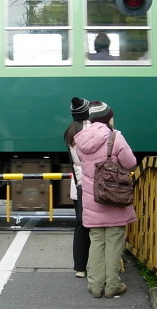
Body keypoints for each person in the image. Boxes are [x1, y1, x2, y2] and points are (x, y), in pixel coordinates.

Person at [74, 101, 137, 298]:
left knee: (96, 242)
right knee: (114, 242)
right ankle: (112, 287)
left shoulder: (80, 140)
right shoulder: (115, 137)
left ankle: (95, 286)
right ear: (107, 117)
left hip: (93, 199)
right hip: (114, 198)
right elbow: (130, 163)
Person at [63, 97, 91, 279]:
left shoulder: (69, 132)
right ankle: (97, 267)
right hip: (91, 185)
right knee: (96, 227)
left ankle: (79, 268)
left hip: (77, 186)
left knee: (80, 225)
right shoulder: (94, 131)